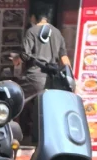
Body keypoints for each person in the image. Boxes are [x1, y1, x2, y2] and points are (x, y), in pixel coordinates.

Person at [14, 10, 70, 143]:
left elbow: (25, 55)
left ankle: (12, 136)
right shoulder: (57, 33)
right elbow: (64, 58)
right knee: (42, 110)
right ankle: (37, 140)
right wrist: (70, 78)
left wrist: (16, 59)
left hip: (34, 77)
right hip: (52, 80)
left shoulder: (32, 31)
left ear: (33, 17)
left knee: (14, 101)